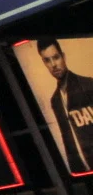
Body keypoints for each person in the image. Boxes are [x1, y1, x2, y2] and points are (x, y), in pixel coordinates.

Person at [36, 38, 93, 173]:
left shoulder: (88, 84)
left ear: (63, 57)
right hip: (81, 170)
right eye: (47, 60)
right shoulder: (55, 100)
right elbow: (67, 139)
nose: (53, 65)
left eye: (56, 58)